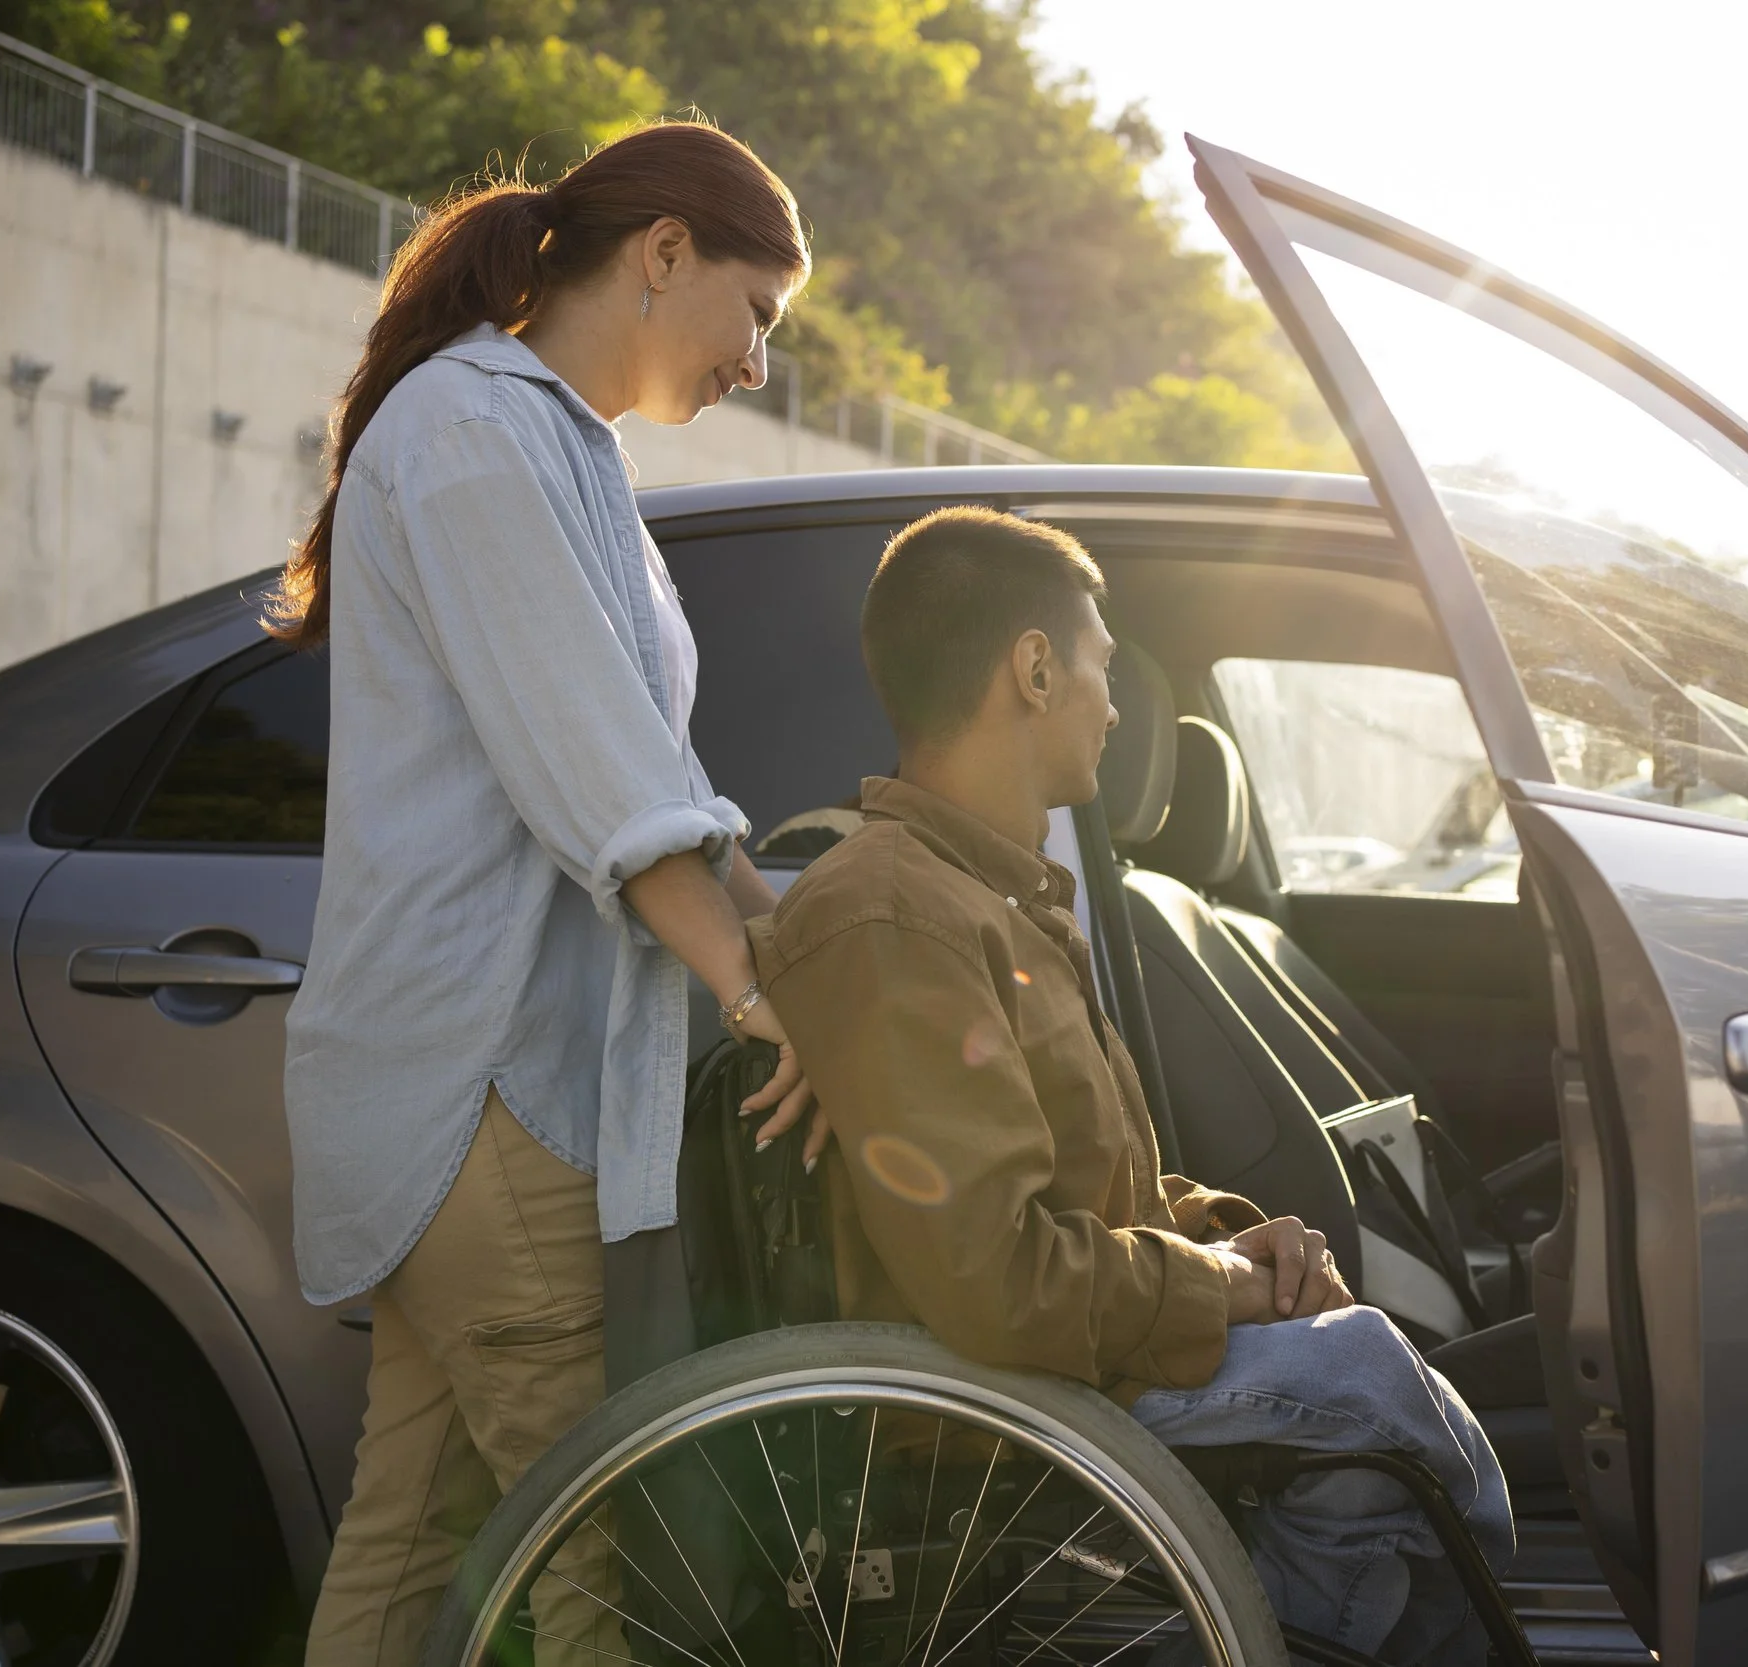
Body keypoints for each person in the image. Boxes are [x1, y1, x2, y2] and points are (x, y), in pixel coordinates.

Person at [749, 506, 1512, 1667]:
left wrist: (1236, 1243)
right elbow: (995, 1278)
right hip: (993, 1404)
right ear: (1035, 668)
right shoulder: (894, 913)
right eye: (1103, 668)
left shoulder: (998, 899)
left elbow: (1094, 1192)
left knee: (1363, 1356)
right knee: (1363, 1383)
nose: (1115, 706)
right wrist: (1222, 1291)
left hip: (1077, 1350)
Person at [273, 121, 817, 1664]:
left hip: (477, 1092)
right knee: (597, 1576)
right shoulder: (471, 431)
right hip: (485, 1092)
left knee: (407, 1542)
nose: (759, 365)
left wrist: (804, 927)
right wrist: (762, 993)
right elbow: (610, 786)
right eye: (758, 313)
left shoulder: (558, 443)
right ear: (663, 254)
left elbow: (656, 776)